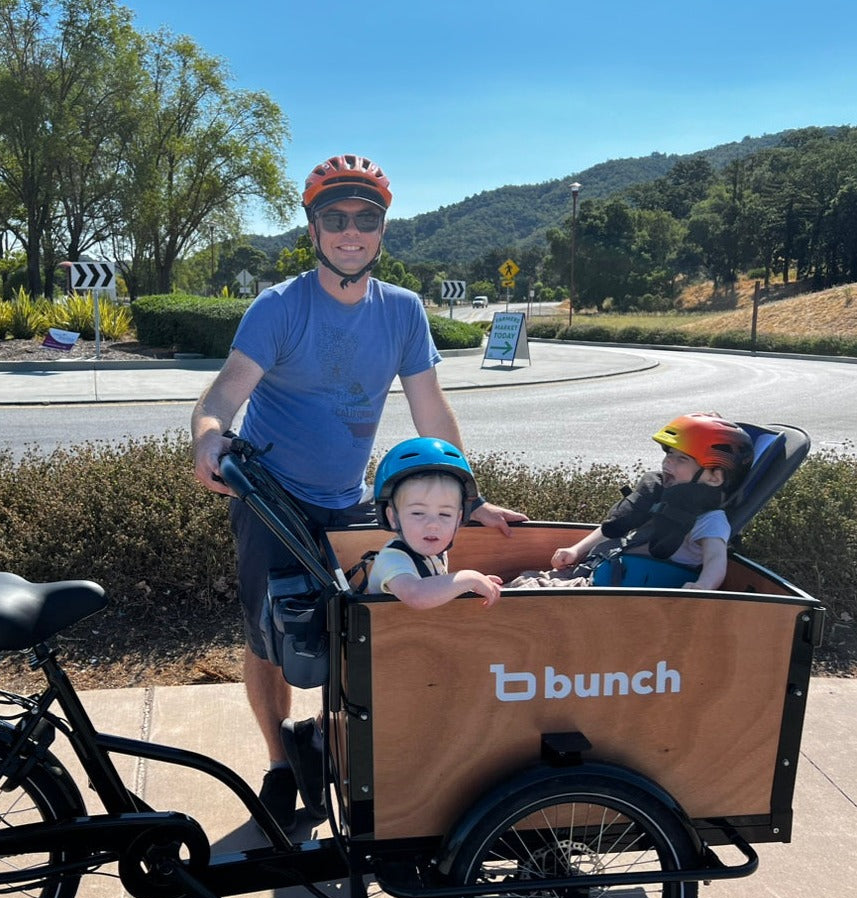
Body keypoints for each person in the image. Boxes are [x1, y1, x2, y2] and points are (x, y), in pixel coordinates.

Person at [191, 153, 527, 832]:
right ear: (312, 228)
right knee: (269, 639)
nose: (351, 231)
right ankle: (279, 763)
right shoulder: (279, 306)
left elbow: (430, 407)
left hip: (347, 499)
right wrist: (207, 434)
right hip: (271, 499)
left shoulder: (401, 312)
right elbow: (227, 388)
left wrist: (468, 496)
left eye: (365, 219)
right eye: (334, 217)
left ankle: (326, 745)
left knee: (353, 633)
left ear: (380, 230)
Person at [510, 413, 754, 591]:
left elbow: (715, 560)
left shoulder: (710, 520)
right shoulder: (662, 495)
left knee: (528, 591)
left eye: (681, 459)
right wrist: (576, 549)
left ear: (714, 477)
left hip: (623, 589)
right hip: (606, 574)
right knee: (524, 581)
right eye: (668, 455)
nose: (668, 463)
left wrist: (702, 586)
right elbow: (614, 527)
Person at [367, 438, 503, 608]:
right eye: (418, 513)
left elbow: (435, 590)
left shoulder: (435, 550)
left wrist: (468, 587)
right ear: (393, 517)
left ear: (458, 518)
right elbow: (417, 595)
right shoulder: (392, 559)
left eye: (445, 514)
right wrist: (469, 578)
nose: (433, 524)